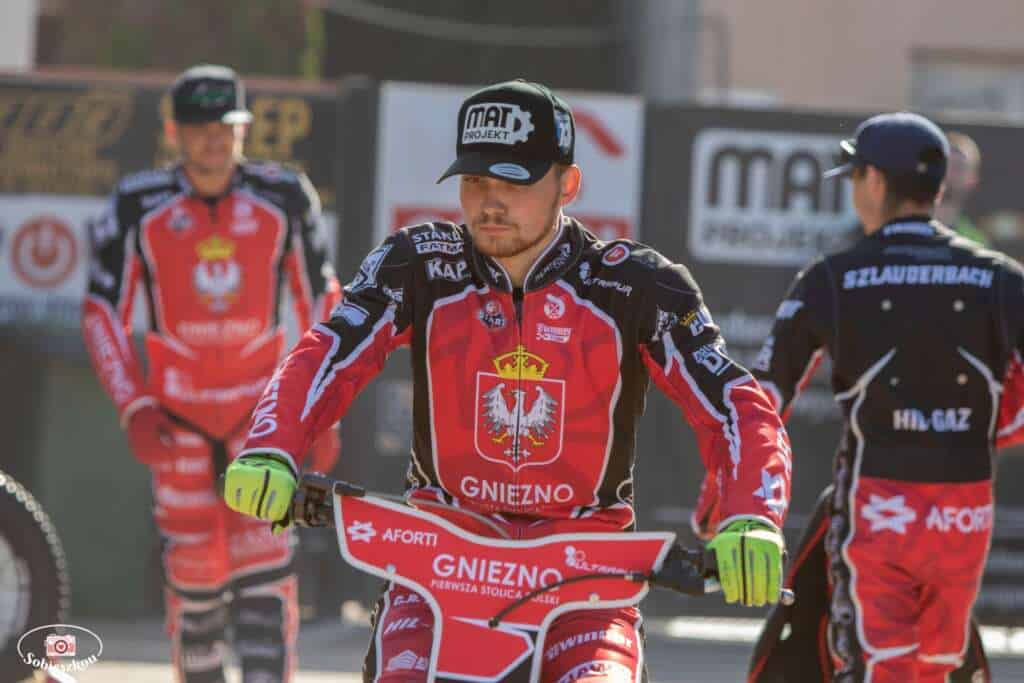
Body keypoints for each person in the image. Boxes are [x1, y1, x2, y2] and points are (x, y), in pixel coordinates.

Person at [221, 79, 793, 681]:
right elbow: (329, 352)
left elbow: (734, 403)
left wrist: (751, 515)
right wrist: (271, 448)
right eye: (474, 181)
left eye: (514, 183)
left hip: (584, 581)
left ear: (567, 184)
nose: (490, 202)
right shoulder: (419, 263)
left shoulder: (635, 285)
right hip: (438, 564)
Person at [723, 112, 1024, 682]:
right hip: (965, 514)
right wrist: (990, 429)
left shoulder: (832, 276)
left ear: (876, 182)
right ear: (939, 189)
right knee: (936, 669)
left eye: (856, 177)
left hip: (877, 509)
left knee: (879, 668)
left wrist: (732, 494)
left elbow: (761, 397)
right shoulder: (1003, 278)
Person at [82, 64, 341, 683]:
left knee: (267, 575)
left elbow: (323, 304)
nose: (214, 140)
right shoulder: (138, 203)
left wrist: (322, 410)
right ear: (173, 131)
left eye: (225, 126)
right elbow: (100, 312)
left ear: (244, 128)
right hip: (177, 424)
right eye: (199, 128)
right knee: (195, 583)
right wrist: (133, 405)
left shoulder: (285, 195)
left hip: (262, 422)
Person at [936, 131, 987, 245]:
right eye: (943, 163)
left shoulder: (977, 243)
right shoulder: (901, 229)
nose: (947, 173)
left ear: (973, 179)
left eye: (958, 167)